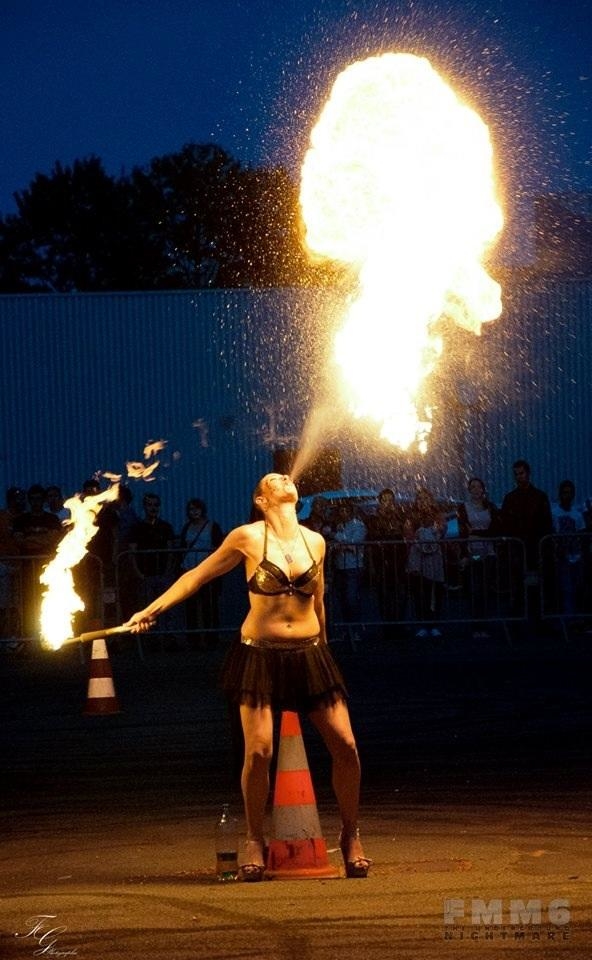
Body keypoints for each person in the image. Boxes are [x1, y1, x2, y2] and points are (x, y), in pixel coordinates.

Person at [124, 473, 371, 881]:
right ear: (261, 499)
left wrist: (325, 652)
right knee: (258, 752)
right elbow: (196, 575)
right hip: (260, 655)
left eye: (286, 477)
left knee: (346, 745)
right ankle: (255, 839)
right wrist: (152, 610)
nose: (285, 478)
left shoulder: (316, 541)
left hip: (310, 653)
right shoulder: (247, 537)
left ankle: (350, 835)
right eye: (274, 479)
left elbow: (320, 600)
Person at [457, 477, 500, 637]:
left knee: (486, 588)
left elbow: (495, 529)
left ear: (483, 489)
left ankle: (485, 624)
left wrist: (475, 532)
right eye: (473, 487)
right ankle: (476, 625)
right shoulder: (463, 508)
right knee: (475, 588)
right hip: (473, 553)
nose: (476, 489)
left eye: (478, 486)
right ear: (469, 490)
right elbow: (463, 532)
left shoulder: (491, 507)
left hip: (489, 552)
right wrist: (463, 554)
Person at [179, 498, 224, 646]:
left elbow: (219, 547)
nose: (194, 512)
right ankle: (194, 639)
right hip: (189, 569)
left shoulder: (212, 527)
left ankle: (212, 638)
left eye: (197, 509)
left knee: (209, 605)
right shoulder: (187, 527)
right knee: (191, 606)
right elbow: (182, 547)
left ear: (202, 510)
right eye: (191, 509)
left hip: (207, 571)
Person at [404, 487, 447, 638]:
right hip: (417, 558)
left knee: (435, 590)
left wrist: (430, 538)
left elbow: (442, 530)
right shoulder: (411, 516)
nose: (423, 502)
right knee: (419, 592)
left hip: (434, 557)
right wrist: (419, 543)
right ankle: (422, 623)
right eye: (420, 499)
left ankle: (434, 623)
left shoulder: (438, 515)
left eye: (426, 498)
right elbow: (408, 535)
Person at [365, 488, 407, 632]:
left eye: (390, 500)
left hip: (398, 560)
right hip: (381, 560)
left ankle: (399, 624)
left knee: (399, 593)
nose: (388, 503)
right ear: (380, 502)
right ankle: (387, 624)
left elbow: (404, 534)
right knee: (384, 594)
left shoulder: (400, 517)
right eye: (384, 500)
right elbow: (372, 538)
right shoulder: (374, 519)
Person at [549, 479, 586, 616]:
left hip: (576, 556)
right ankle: (568, 618)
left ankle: (575, 616)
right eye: (564, 493)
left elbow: (582, 534)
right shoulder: (554, 513)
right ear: (560, 494)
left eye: (569, 493)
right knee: (566, 588)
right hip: (561, 556)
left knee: (577, 586)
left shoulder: (577, 515)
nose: (567, 496)